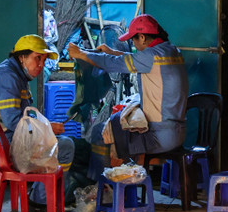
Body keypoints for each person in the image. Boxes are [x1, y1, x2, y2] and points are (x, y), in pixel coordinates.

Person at [0, 34, 84, 207]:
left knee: (62, 143)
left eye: (44, 60)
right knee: (65, 146)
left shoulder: (15, 74)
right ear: (22, 57)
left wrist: (45, 128)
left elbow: (23, 118)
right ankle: (41, 201)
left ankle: (43, 195)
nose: (41, 65)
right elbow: (13, 121)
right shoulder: (8, 77)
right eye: (37, 58)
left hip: (4, 140)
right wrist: (47, 128)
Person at [68, 14, 188, 168]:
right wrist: (112, 52)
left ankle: (112, 180)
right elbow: (138, 60)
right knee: (117, 126)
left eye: (133, 40)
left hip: (160, 137)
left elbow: (113, 64)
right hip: (178, 133)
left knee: (103, 133)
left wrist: (81, 54)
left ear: (142, 38)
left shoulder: (151, 56)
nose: (134, 44)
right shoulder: (171, 50)